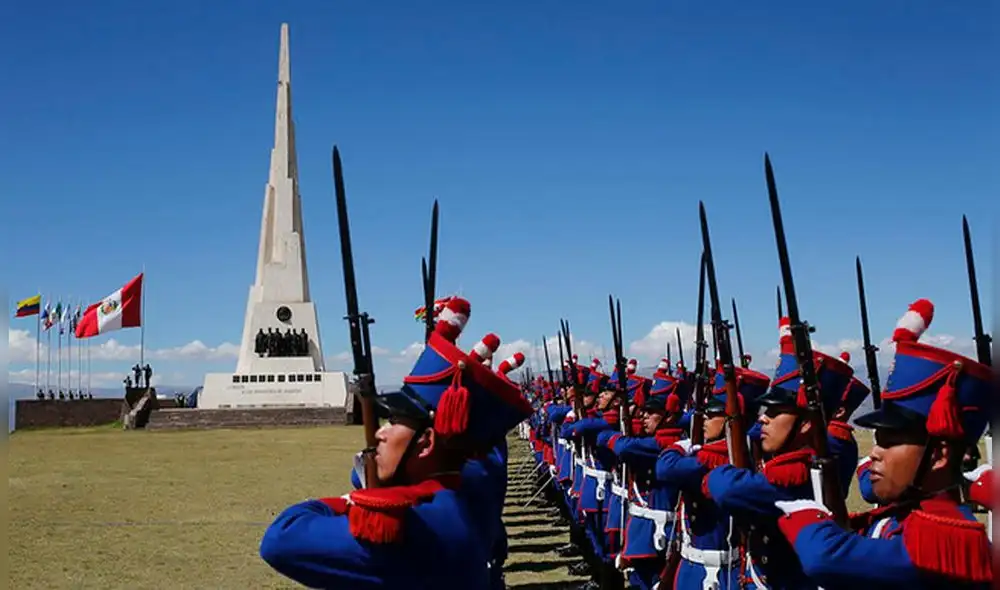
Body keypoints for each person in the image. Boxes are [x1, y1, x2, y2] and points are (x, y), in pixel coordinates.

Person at [260, 297, 532, 589]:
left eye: (395, 423)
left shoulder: (413, 525)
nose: (381, 433)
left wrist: (347, 503)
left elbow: (280, 539)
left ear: (426, 443)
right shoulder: (463, 496)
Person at [773, 298, 992, 587]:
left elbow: (823, 557)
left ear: (938, 456)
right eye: (878, 440)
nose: (874, 452)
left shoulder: (947, 538)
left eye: (890, 442)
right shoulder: (904, 516)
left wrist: (807, 518)